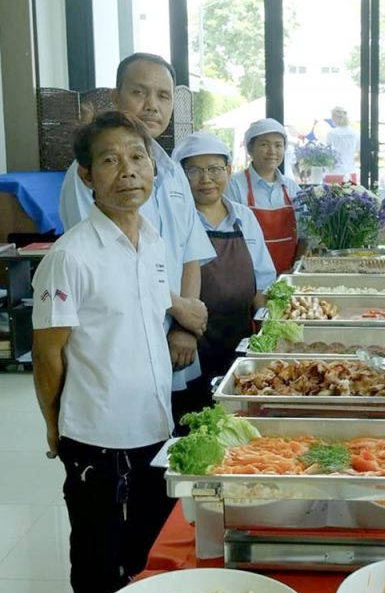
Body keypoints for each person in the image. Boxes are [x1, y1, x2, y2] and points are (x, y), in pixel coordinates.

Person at [32, 111, 179, 593]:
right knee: (97, 554)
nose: (128, 170)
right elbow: (48, 355)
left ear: (153, 167)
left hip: (154, 426)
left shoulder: (154, 242)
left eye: (138, 157)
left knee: (147, 548)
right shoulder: (69, 256)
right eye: (110, 161)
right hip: (97, 435)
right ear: (87, 176)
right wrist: (54, 426)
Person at [59, 52, 212, 395]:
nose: (152, 106)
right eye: (139, 92)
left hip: (178, 342)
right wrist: (182, 309)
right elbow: (109, 264)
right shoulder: (91, 176)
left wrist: (185, 327)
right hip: (119, 341)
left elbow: (190, 253)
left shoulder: (172, 172)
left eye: (163, 96)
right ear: (115, 97)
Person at [171, 132, 276, 411]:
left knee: (238, 412)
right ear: (180, 176)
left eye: (214, 169)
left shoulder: (244, 217)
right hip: (191, 340)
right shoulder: (175, 220)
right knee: (194, 412)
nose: (206, 179)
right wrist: (183, 329)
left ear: (228, 171)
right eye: (194, 171)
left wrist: (267, 334)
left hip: (239, 335)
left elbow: (262, 282)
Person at [226, 118, 305, 275]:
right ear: (250, 149)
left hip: (287, 275)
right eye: (264, 144)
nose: (272, 151)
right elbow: (230, 240)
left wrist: (294, 270)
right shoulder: (234, 185)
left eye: (278, 145)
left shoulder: (292, 188)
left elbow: (305, 235)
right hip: (248, 276)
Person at [326, 106, 360, 180]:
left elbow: (328, 154)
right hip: (351, 171)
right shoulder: (356, 133)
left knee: (334, 188)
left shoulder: (332, 133)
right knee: (352, 188)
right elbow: (359, 155)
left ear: (335, 118)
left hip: (335, 172)